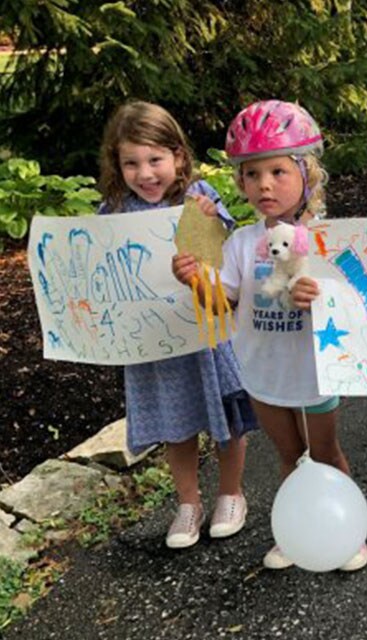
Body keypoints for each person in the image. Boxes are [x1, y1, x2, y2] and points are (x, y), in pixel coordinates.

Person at [172, 100, 367, 571]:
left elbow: (358, 305)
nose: (264, 184)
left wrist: (319, 295)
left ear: (307, 174)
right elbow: (226, 303)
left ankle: (348, 532)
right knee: (290, 457)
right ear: (239, 182)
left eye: (278, 171)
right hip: (263, 374)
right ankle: (295, 531)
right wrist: (198, 280)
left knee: (326, 454)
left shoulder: (327, 239)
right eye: (251, 173)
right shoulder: (240, 242)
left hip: (315, 371)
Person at [98, 101, 258, 549]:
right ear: (118, 165)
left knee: (227, 416)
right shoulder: (113, 212)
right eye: (131, 163)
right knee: (175, 422)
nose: (145, 173)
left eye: (155, 160)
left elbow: (223, 258)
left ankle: (231, 493)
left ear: (178, 157)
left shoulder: (199, 198)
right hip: (157, 342)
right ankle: (188, 503)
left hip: (205, 334)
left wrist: (206, 224)